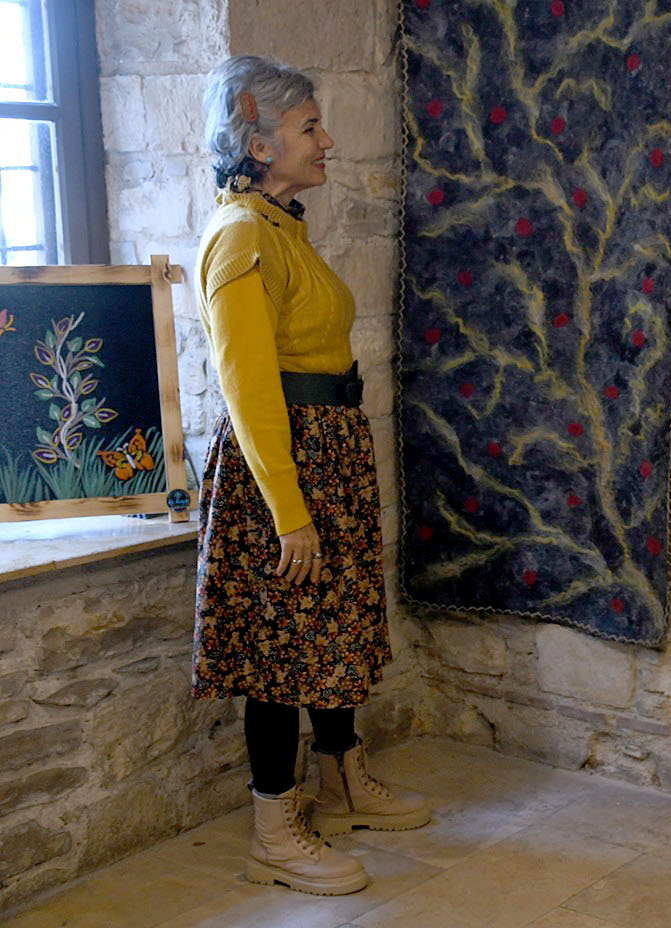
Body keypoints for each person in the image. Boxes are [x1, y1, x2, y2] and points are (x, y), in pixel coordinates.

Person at [194, 54, 428, 896]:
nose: (326, 141)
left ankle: (340, 780)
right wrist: (288, 511)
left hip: (326, 457)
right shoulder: (241, 237)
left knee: (328, 628)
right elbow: (249, 390)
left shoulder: (280, 227)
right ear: (258, 145)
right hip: (282, 472)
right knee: (279, 646)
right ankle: (273, 831)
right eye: (309, 128)